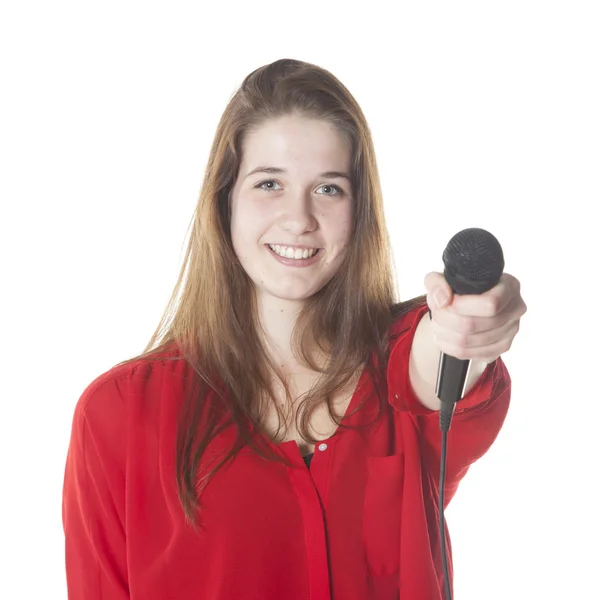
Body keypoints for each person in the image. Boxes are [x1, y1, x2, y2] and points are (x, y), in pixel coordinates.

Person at [62, 58, 527, 600]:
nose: (299, 218)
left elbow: (443, 351)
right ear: (224, 200)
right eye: (269, 184)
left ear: (359, 212)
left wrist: (469, 326)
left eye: (329, 189)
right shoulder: (117, 413)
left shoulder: (401, 367)